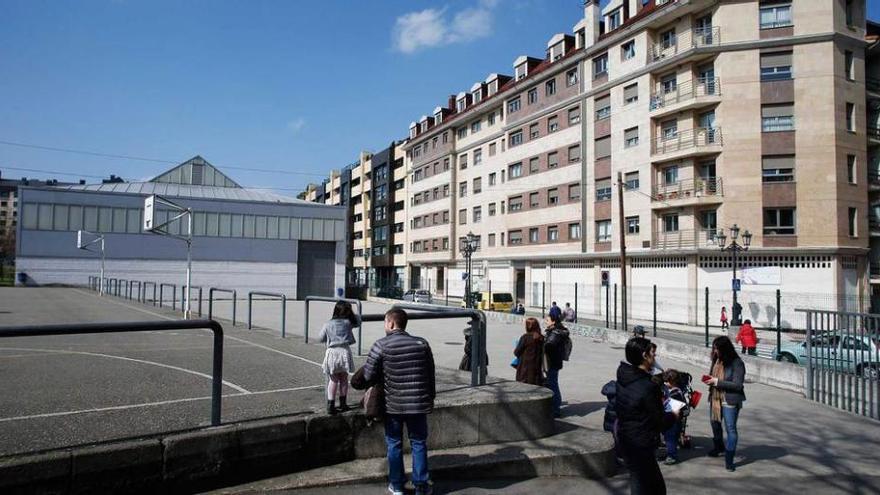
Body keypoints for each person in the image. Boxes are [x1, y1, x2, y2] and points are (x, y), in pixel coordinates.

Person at [362, 309, 436, 495]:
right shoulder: (422, 344)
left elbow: (368, 375)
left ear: (391, 323)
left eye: (385, 322)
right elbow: (430, 374)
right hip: (418, 404)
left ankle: (397, 485)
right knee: (418, 442)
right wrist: (430, 398)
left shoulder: (381, 345)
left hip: (392, 404)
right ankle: (421, 485)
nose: (385, 326)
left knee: (394, 443)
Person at [615, 337, 677, 495]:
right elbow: (661, 422)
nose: (655, 358)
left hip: (625, 436)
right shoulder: (648, 386)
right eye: (653, 354)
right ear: (644, 356)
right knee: (654, 487)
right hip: (640, 442)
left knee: (639, 479)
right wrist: (674, 415)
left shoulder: (624, 375)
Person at [702, 335, 746, 472]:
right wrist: (710, 380)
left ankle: (729, 459)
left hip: (730, 399)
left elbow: (738, 385)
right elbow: (713, 375)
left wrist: (717, 382)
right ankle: (719, 447)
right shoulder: (716, 360)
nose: (715, 351)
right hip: (715, 398)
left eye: (717, 349)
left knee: (730, 429)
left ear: (725, 349)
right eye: (714, 348)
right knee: (715, 423)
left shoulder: (737, 363)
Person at [318, 301, 358, 415]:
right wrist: (353, 314)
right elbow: (358, 322)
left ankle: (331, 405)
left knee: (333, 380)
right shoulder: (348, 323)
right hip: (344, 352)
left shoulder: (328, 324)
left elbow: (320, 338)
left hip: (332, 353)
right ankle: (343, 404)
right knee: (344, 379)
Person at [543, 313, 570, 417]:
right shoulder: (556, 331)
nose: (546, 321)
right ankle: (555, 406)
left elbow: (549, 346)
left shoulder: (555, 333)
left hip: (552, 362)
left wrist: (542, 343)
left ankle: (556, 409)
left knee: (553, 384)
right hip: (555, 362)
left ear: (553, 321)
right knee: (552, 383)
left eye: (548, 320)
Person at [661, 369, 687, 465]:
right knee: (668, 439)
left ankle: (672, 456)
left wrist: (671, 420)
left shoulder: (676, 393)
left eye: (667, 382)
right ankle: (670, 453)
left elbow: (676, 411)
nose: (665, 383)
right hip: (669, 419)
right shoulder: (671, 391)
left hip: (673, 422)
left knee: (671, 439)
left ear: (673, 382)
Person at [514, 317, 544, 385]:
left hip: (525, 370)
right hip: (536, 370)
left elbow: (516, 352)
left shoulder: (525, 337)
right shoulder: (541, 338)